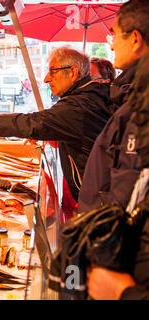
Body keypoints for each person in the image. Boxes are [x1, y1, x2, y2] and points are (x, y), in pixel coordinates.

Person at [0, 47, 112, 202]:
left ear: (73, 72)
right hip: (101, 191)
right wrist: (50, 134)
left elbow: (29, 122)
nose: (47, 79)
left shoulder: (79, 106)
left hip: (99, 199)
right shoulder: (91, 96)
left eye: (53, 72)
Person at [77, 0, 149, 213]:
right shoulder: (131, 96)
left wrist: (98, 239)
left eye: (114, 35)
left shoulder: (141, 106)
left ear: (135, 39)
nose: (111, 44)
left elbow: (128, 193)